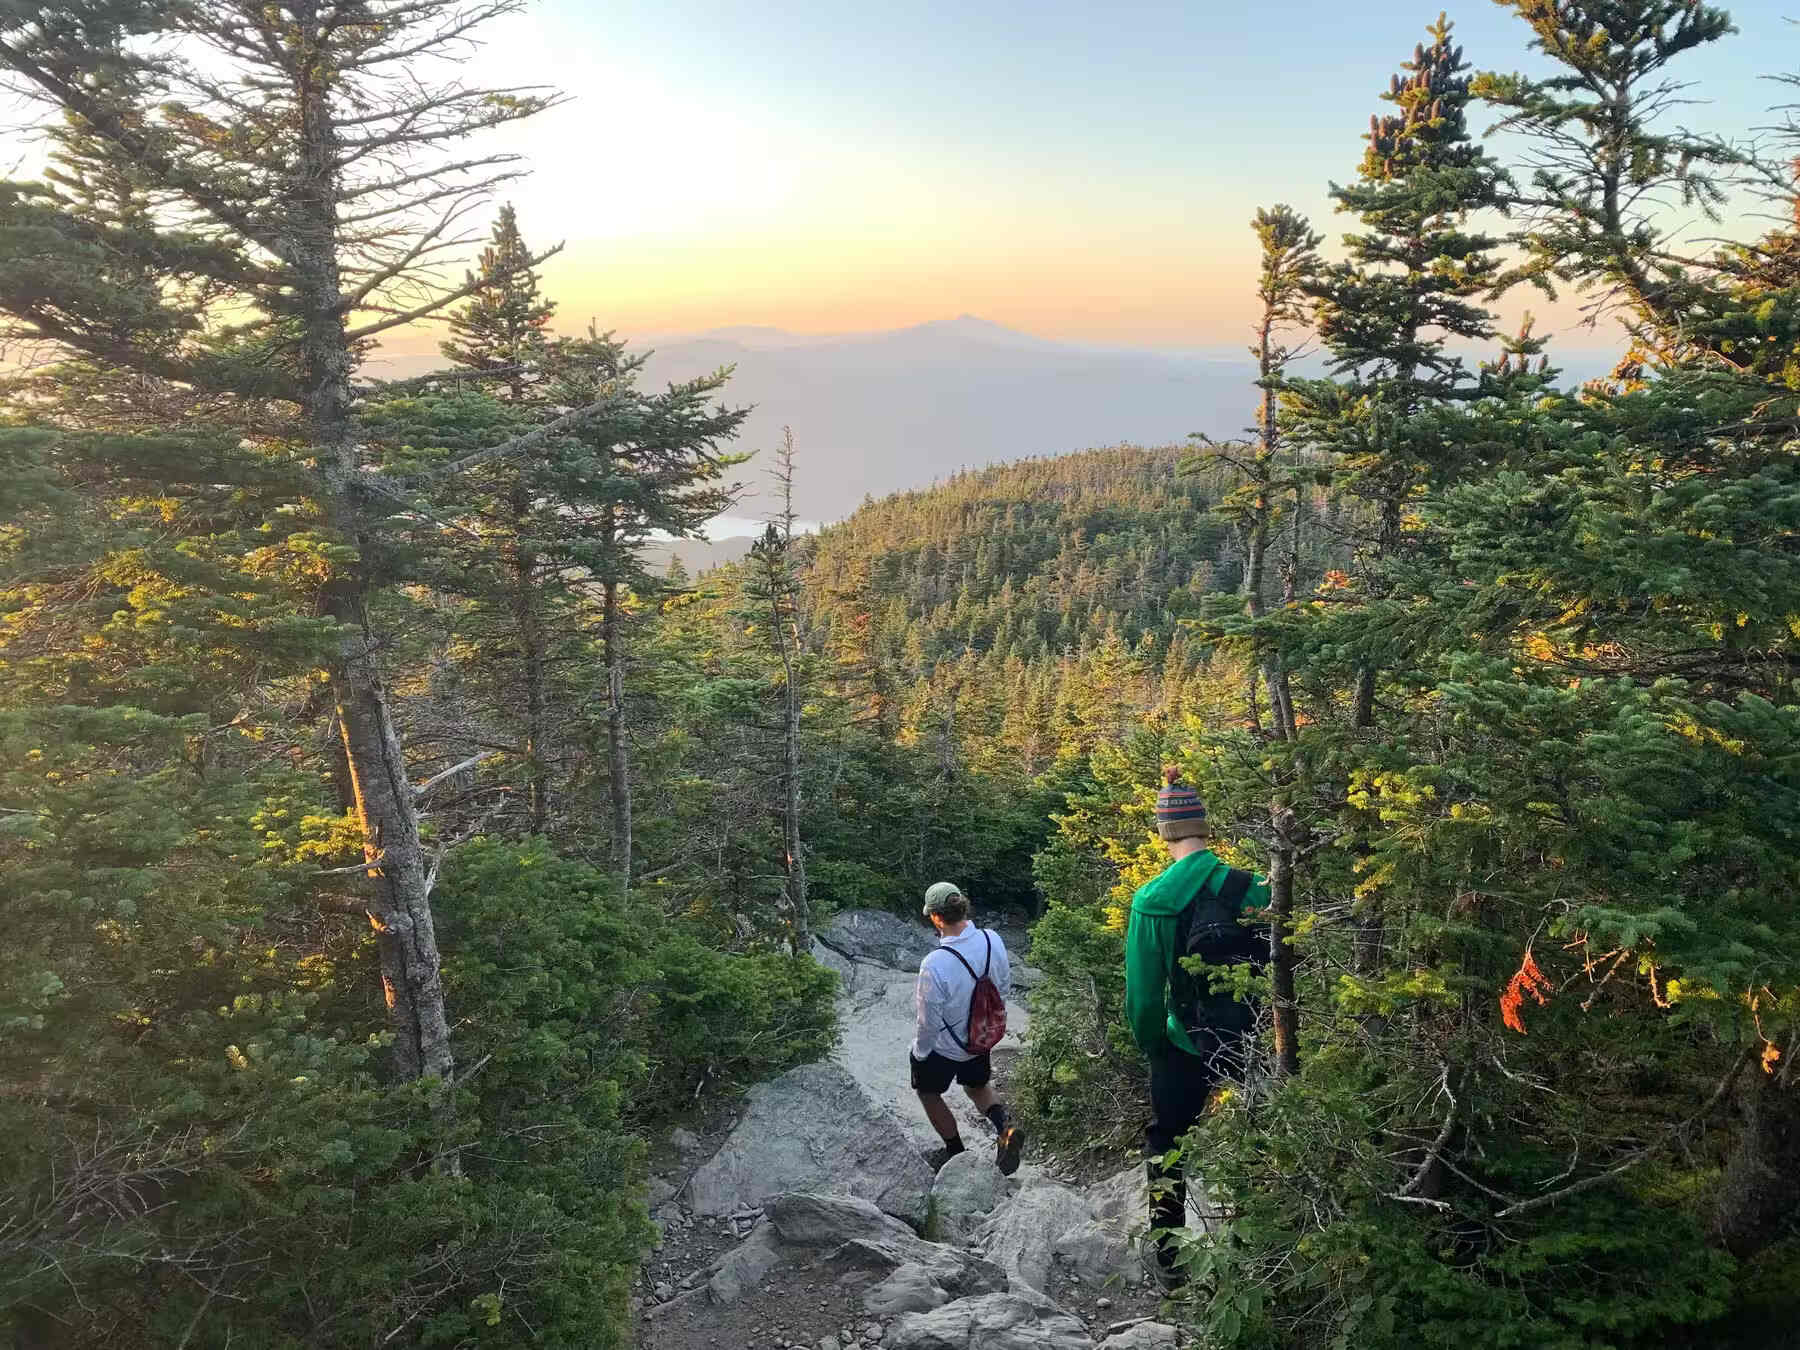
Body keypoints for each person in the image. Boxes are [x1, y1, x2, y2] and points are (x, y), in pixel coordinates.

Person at [1123, 768, 1269, 1290]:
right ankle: (1253, 1247)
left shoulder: (1152, 901)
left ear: (1165, 832)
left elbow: (1142, 998)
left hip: (1183, 1040)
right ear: (1205, 828)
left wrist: (1153, 1044)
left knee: (1167, 1141)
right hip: (1252, 1039)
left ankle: (1169, 1257)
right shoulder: (1251, 888)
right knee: (1258, 1135)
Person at [910, 881, 1025, 1175]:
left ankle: (956, 1153)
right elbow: (1002, 987)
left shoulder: (934, 964)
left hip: (947, 1047)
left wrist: (920, 1054)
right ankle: (1005, 1127)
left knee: (928, 1093)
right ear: (963, 907)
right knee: (976, 1085)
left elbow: (929, 1021)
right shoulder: (992, 939)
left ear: (936, 917)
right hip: (981, 1037)